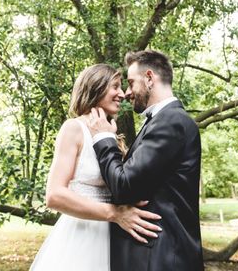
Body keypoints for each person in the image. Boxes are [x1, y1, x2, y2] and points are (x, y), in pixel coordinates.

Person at [30, 63, 162, 271]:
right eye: (115, 86)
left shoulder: (112, 134)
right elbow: (54, 195)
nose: (122, 94)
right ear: (96, 87)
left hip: (114, 238)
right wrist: (115, 213)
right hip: (81, 238)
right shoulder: (74, 128)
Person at [88, 50, 204, 271]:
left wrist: (104, 138)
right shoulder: (161, 121)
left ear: (149, 78)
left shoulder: (170, 121)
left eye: (131, 83)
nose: (127, 92)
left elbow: (125, 186)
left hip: (161, 259)